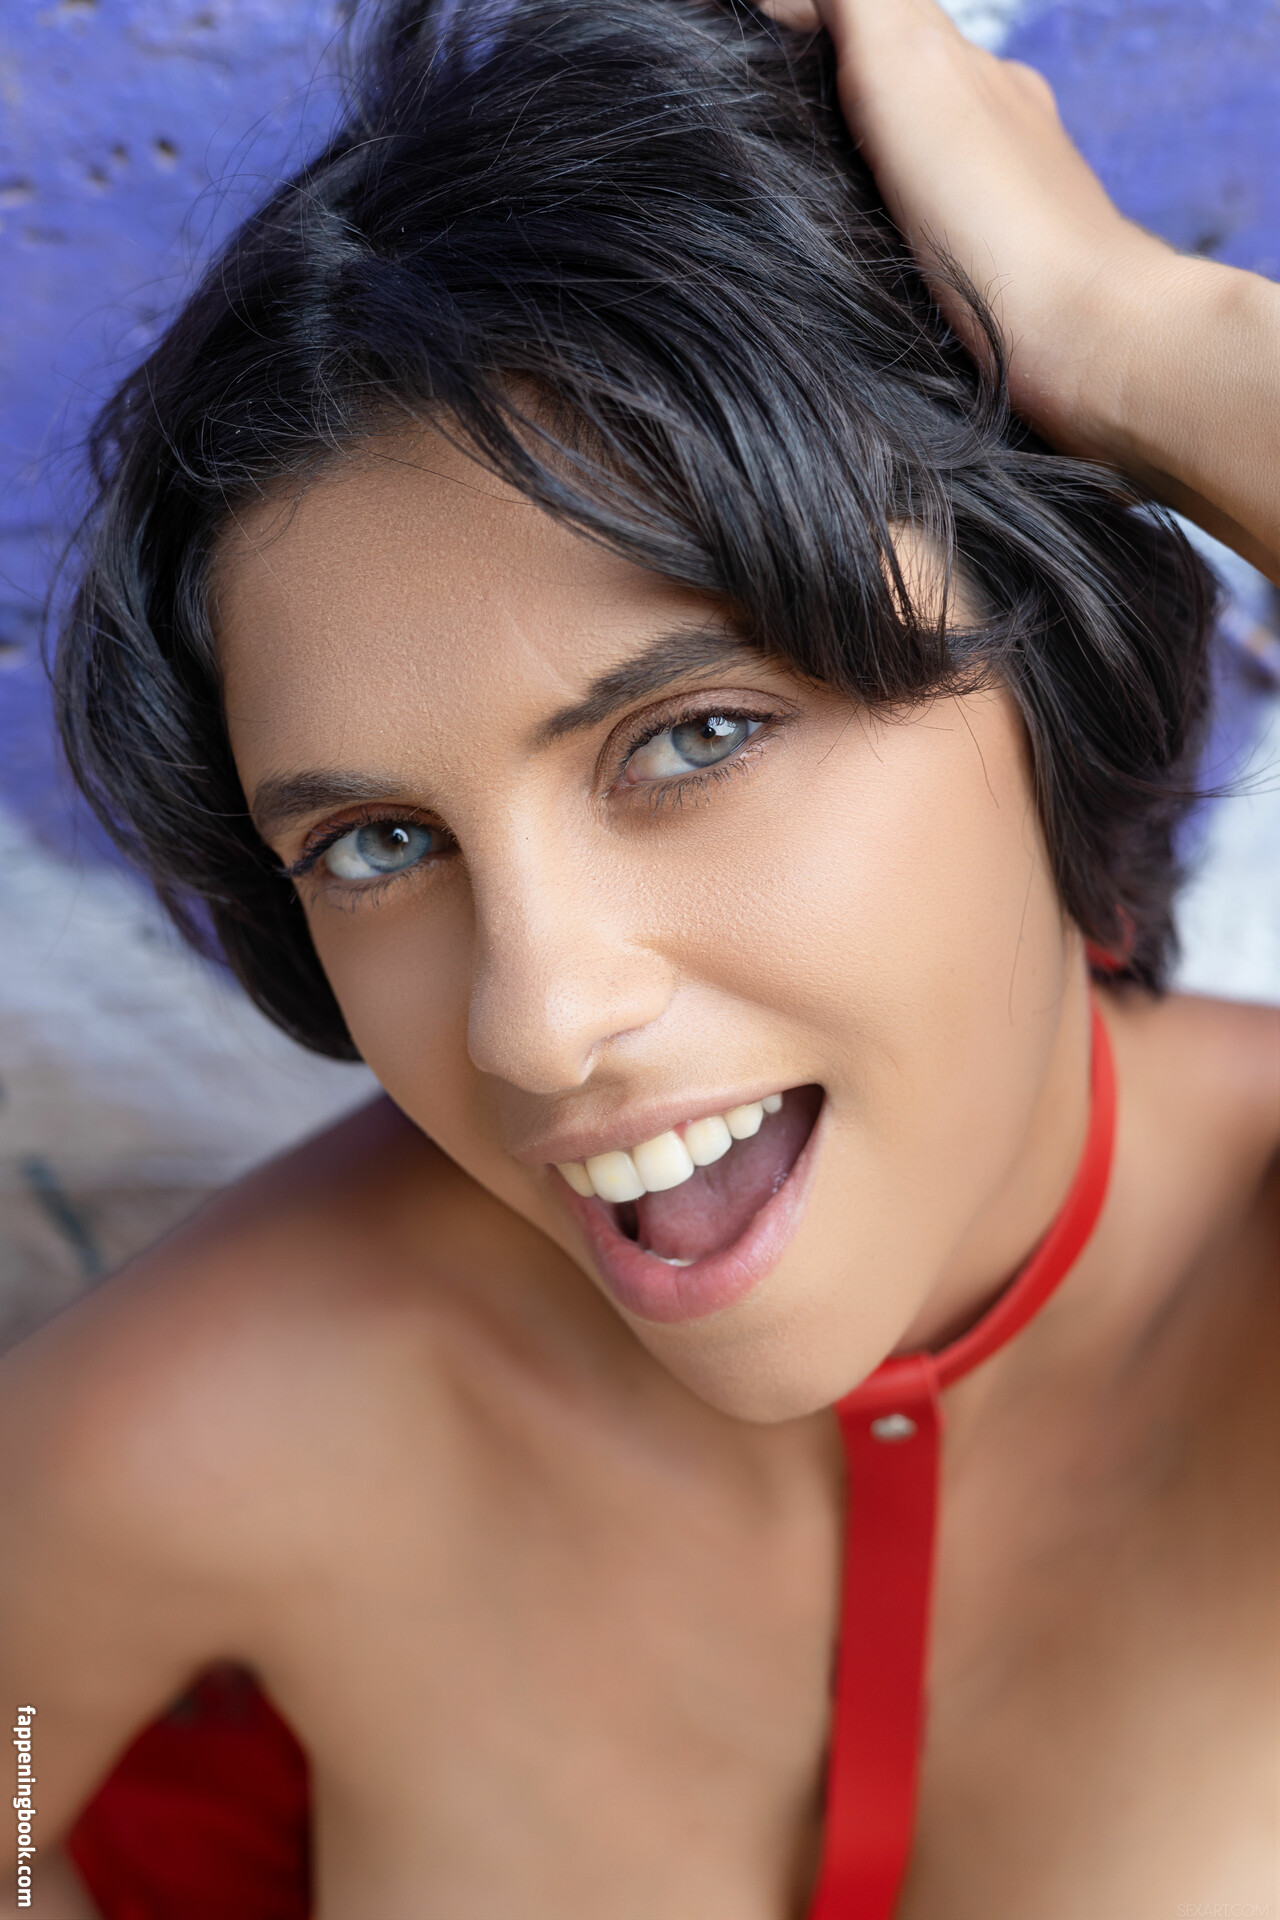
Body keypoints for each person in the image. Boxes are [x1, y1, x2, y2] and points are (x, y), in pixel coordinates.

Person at [2, 0, 1277, 1914]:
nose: (534, 1021)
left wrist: (1142, 341)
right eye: (377, 845)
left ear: (1050, 656)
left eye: (693, 737)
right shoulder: (210, 1424)